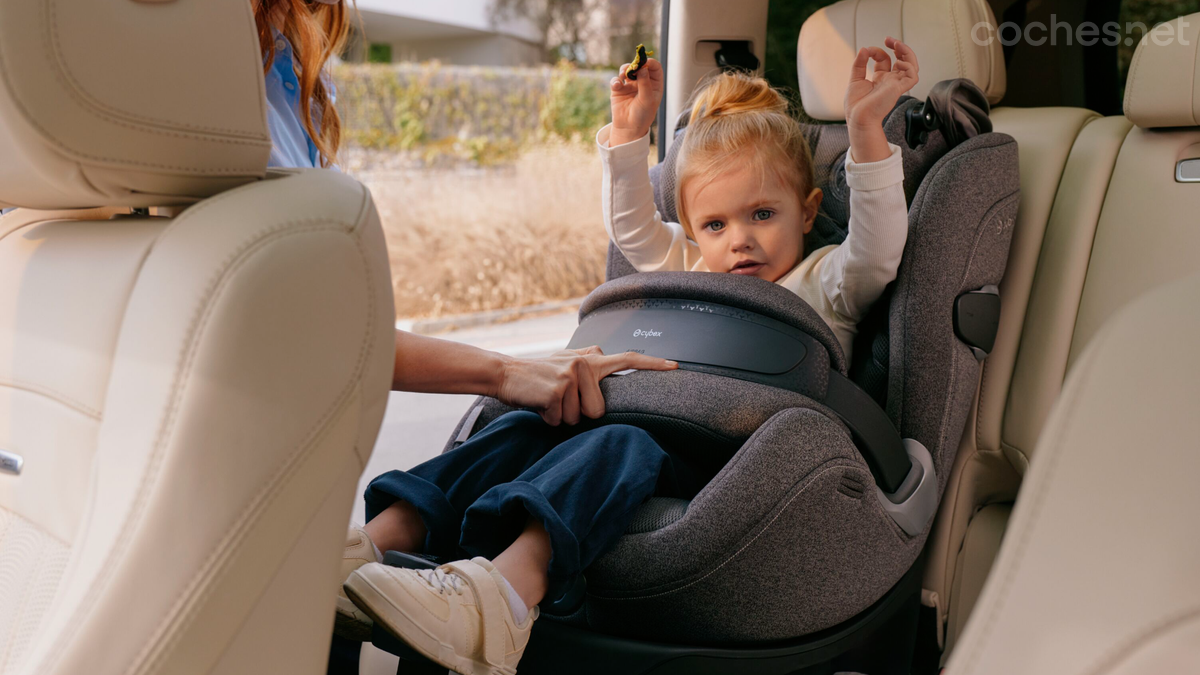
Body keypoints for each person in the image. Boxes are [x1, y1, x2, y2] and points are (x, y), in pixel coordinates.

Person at [340, 40, 920, 675]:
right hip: (653, 418)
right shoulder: (693, 265)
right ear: (693, 230)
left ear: (808, 212)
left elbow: (877, 246)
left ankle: (503, 599)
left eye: (763, 214)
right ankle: (376, 544)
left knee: (614, 445)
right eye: (716, 225)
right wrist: (628, 136)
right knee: (519, 427)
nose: (740, 240)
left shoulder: (826, 279)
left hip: (737, 454)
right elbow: (637, 232)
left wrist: (866, 130)